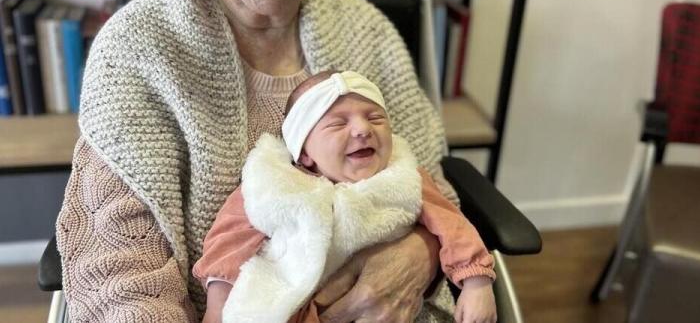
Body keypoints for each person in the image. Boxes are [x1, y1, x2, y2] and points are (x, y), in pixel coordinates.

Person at [55, 0, 461, 321]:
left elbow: (433, 191)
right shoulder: (135, 52)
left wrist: (421, 257)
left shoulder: (369, 35)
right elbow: (121, 273)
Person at [193, 71, 497, 323]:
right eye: (338, 123)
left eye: (375, 118)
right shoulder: (276, 183)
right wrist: (218, 308)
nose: (363, 129)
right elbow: (229, 239)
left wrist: (476, 282)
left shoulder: (404, 177)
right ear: (305, 153)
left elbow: (453, 226)